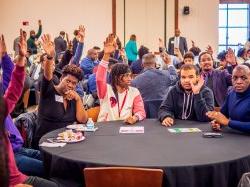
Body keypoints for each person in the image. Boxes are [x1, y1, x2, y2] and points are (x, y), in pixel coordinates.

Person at [1, 29, 58, 187]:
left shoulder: (2, 107)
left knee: (55, 161)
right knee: (53, 178)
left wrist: (16, 58)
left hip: (17, 151)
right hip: (11, 177)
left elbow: (12, 88)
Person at [0, 35, 45, 177]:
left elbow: (12, 82)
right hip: (10, 158)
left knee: (54, 160)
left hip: (18, 148)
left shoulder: (2, 105)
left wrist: (6, 56)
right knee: (50, 170)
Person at [33, 34, 88, 149]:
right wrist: (49, 57)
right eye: (68, 81)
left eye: (74, 83)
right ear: (61, 77)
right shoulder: (49, 91)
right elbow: (47, 75)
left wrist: (78, 99)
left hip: (67, 143)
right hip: (46, 144)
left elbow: (83, 120)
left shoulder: (73, 98)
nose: (70, 85)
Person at [96, 34, 146, 124]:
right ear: (116, 77)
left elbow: (141, 112)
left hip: (125, 127)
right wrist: (106, 55)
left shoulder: (134, 92)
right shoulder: (106, 90)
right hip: (105, 129)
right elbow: (99, 79)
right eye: (126, 75)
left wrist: (135, 117)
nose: (130, 78)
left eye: (130, 75)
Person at [207, 65, 250, 133]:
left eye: (244, 78)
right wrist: (217, 122)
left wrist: (228, 122)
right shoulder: (231, 93)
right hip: (233, 137)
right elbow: (223, 114)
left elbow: (226, 121)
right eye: (235, 78)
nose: (239, 81)